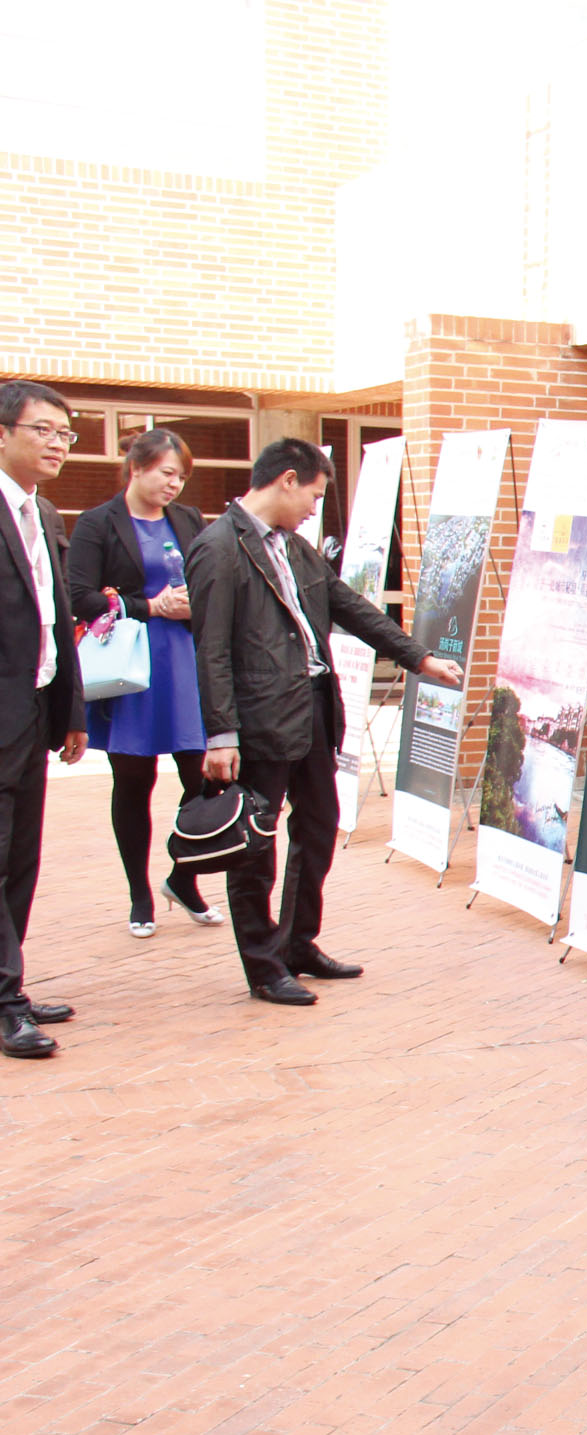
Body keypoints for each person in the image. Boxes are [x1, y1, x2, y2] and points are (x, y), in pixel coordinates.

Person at [189, 439, 463, 1004]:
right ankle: (264, 967)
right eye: (314, 496)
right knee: (255, 845)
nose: (315, 508)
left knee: (318, 826)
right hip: (260, 719)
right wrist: (221, 734)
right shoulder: (218, 547)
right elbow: (211, 648)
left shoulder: (295, 547)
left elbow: (350, 606)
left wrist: (418, 658)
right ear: (287, 480)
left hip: (312, 708)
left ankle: (296, 943)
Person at [65, 428, 219, 937]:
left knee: (205, 780)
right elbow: (78, 595)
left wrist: (195, 605)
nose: (175, 484)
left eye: (182, 477)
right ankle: (140, 894)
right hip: (129, 665)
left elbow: (210, 581)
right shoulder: (98, 523)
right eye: (167, 473)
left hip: (185, 661)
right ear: (136, 468)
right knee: (133, 782)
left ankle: (184, 877)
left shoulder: (188, 519)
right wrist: (148, 606)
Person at [0, 381, 89, 1058]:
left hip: (33, 709)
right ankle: (6, 1004)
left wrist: (70, 711)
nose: (59, 444)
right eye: (44, 431)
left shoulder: (45, 512)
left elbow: (58, 617)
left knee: (22, 860)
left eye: (66, 433)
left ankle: (10, 986)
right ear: (3, 433)